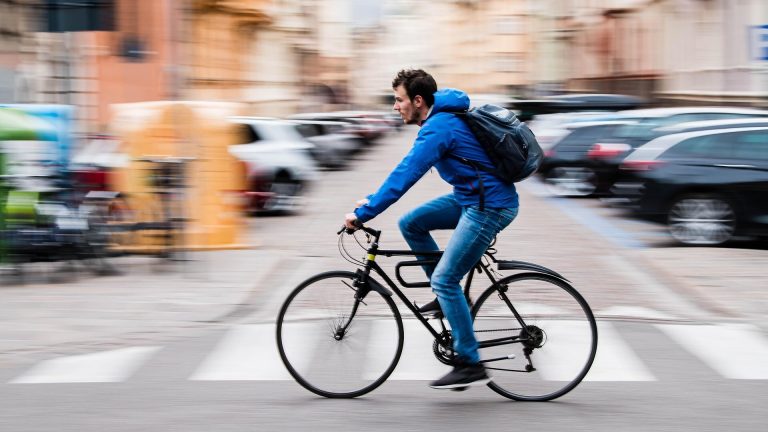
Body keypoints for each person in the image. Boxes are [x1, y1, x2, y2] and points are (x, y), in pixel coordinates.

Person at [343, 69, 519, 390]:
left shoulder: (439, 127)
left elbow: (405, 175)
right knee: (411, 222)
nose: (395, 106)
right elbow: (402, 174)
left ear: (418, 100)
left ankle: (470, 363)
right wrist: (370, 201)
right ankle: (445, 299)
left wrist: (364, 214)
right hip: (471, 198)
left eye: (399, 100)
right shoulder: (438, 120)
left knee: (445, 278)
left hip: (490, 206)